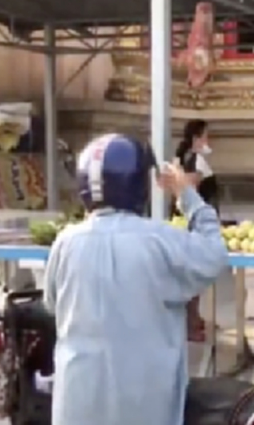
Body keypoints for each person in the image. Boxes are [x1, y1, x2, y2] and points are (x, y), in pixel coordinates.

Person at [44, 134, 230, 425]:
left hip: (77, 403)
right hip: (144, 406)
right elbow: (214, 254)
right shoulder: (160, 240)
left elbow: (52, 304)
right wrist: (187, 196)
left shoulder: (64, 243)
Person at [175, 119, 219, 341]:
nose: (208, 141)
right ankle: (190, 323)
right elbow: (190, 187)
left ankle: (193, 318)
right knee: (195, 275)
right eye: (205, 136)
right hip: (197, 223)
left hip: (185, 221)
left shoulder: (181, 159)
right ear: (197, 138)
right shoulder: (197, 161)